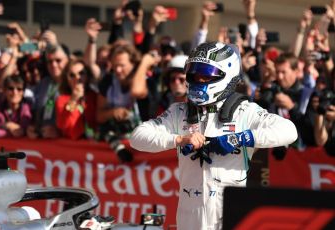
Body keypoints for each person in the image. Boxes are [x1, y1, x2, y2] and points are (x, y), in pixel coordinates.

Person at [130, 41, 298, 229]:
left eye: (205, 75)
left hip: (228, 212)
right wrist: (177, 140)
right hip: (189, 212)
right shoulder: (179, 112)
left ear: (226, 75)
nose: (198, 80)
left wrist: (239, 138)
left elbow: (289, 131)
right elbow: (137, 137)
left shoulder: (245, 111)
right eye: (193, 74)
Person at [55, 59, 97, 140]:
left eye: (81, 73)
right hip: (73, 146)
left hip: (93, 144)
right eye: (72, 75)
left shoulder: (95, 96)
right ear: (66, 79)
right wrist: (73, 100)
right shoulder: (62, 100)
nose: (78, 78)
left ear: (88, 76)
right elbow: (62, 125)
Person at [0, 75, 31, 139]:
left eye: (19, 89)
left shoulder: (26, 107)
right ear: (4, 91)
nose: (15, 92)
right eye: (11, 88)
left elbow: (20, 131)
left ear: (23, 92)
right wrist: (7, 125)